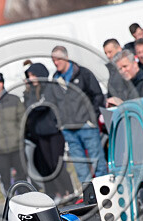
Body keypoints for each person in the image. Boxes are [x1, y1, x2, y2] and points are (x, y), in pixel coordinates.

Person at [47, 45, 107, 184]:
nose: (56, 63)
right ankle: (89, 197)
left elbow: (97, 95)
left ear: (66, 57)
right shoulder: (55, 80)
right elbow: (52, 103)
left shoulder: (83, 74)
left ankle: (104, 191)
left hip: (87, 126)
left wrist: (91, 117)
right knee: (80, 167)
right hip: (68, 129)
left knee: (97, 161)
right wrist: (59, 122)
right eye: (53, 60)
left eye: (58, 59)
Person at [23, 62, 74, 202]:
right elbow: (29, 108)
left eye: (33, 75)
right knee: (47, 166)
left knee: (56, 164)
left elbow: (50, 105)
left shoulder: (51, 87)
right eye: (29, 76)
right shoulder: (31, 92)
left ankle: (69, 191)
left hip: (54, 132)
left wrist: (59, 122)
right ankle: (59, 193)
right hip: (40, 134)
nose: (31, 78)